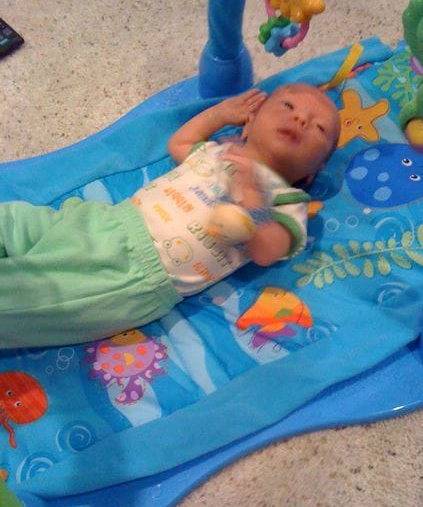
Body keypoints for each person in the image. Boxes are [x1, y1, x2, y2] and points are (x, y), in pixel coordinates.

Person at [0, 83, 340, 349]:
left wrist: (254, 202)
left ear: (313, 171)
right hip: (106, 220)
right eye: (288, 105)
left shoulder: (288, 202)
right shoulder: (218, 151)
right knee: (17, 222)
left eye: (320, 128)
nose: (301, 119)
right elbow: (180, 143)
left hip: (135, 275)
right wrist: (219, 114)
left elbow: (267, 251)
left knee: (33, 299)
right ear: (249, 122)